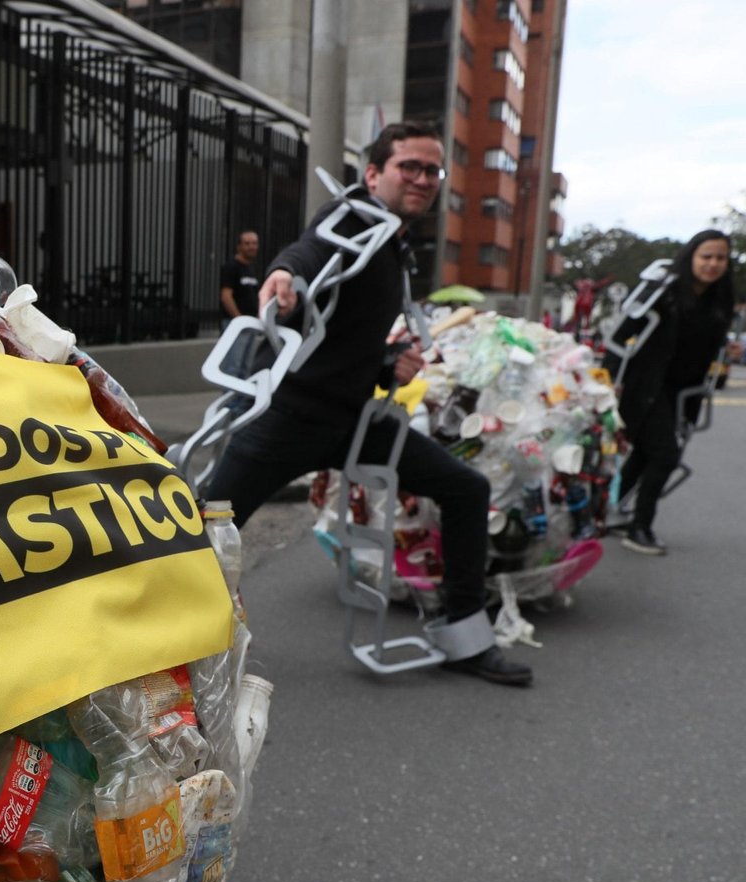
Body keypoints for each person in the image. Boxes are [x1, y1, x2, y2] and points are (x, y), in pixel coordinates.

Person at [205, 121, 532, 687]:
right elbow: (311, 248)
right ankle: (157, 657)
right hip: (291, 416)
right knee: (202, 530)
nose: (424, 179)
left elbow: (342, 339)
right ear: (373, 173)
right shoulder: (354, 217)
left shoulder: (394, 243)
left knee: (466, 488)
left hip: (353, 419)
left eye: (433, 170)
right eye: (410, 166)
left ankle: (465, 637)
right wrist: (284, 273)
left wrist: (387, 366)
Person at [605, 229, 738, 557]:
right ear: (691, 256)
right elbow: (621, 336)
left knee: (644, 455)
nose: (712, 264)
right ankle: (640, 527)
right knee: (665, 455)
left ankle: (607, 512)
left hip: (684, 393)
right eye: (706, 256)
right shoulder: (663, 292)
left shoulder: (720, 301)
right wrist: (608, 380)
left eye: (720, 258)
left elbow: (714, 352)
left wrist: (728, 355)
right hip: (647, 387)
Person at [219, 231, 260, 320]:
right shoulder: (231, 267)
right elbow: (226, 295)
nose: (251, 247)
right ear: (239, 247)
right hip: (234, 323)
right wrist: (238, 318)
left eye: (254, 243)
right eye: (247, 244)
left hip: (251, 321)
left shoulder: (252, 268)